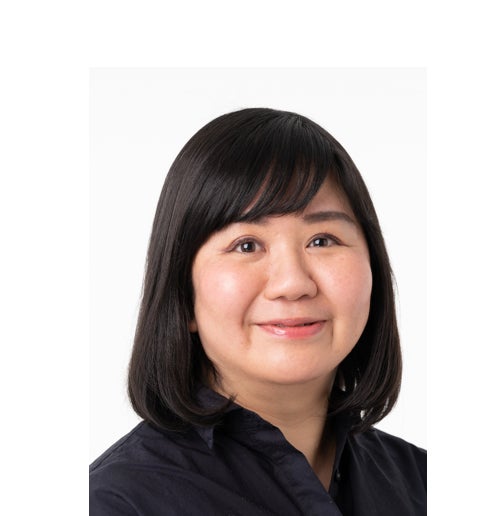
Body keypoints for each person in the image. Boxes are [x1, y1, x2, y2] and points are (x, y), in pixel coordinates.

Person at [90, 107, 426, 515]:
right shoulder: (116, 503)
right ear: (183, 292)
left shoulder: (425, 485)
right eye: (246, 245)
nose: (292, 283)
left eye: (322, 240)